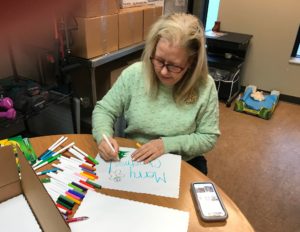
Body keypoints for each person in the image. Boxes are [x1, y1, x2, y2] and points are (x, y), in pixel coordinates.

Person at [92, 13, 220, 175]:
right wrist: (104, 136)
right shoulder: (134, 74)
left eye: (174, 66)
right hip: (135, 157)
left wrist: (166, 144)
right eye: (159, 60)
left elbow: (208, 137)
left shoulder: (205, 86)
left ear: (191, 63)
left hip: (184, 161)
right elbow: (104, 110)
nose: (164, 71)